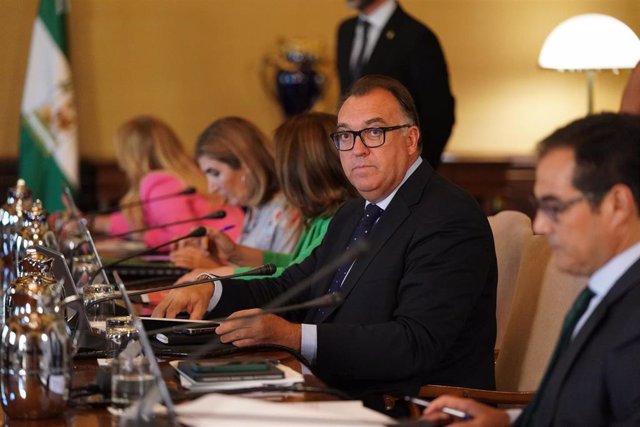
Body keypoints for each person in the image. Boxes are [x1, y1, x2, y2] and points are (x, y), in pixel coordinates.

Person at [154, 75, 497, 413]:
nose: (357, 149)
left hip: (401, 405)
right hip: (321, 387)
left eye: (374, 132)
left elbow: (414, 344)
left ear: (411, 139)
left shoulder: (448, 216)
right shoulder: (352, 213)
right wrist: (211, 291)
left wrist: (292, 336)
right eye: (346, 136)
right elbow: (293, 287)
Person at [422, 113, 640, 426]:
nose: (540, 224)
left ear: (617, 204)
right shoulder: (606, 291)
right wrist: (507, 421)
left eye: (554, 207)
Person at [170, 112, 357, 277]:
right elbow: (293, 264)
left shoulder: (325, 219)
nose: (280, 175)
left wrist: (215, 272)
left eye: (215, 173)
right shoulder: (318, 218)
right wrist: (233, 253)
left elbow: (288, 282)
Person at [169, 116, 302, 270]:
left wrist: (212, 269)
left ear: (245, 164)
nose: (211, 188)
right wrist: (210, 256)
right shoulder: (255, 209)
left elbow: (284, 281)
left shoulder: (286, 210)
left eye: (215, 173)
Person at [91, 115, 244, 247]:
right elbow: (140, 222)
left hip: (229, 262)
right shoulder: (186, 176)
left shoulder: (161, 185)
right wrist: (93, 221)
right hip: (241, 253)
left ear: (132, 157)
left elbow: (184, 237)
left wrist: (143, 237)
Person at [336, 0, 455, 169]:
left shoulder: (417, 37)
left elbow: (439, 116)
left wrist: (415, 173)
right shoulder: (346, 31)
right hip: (358, 171)